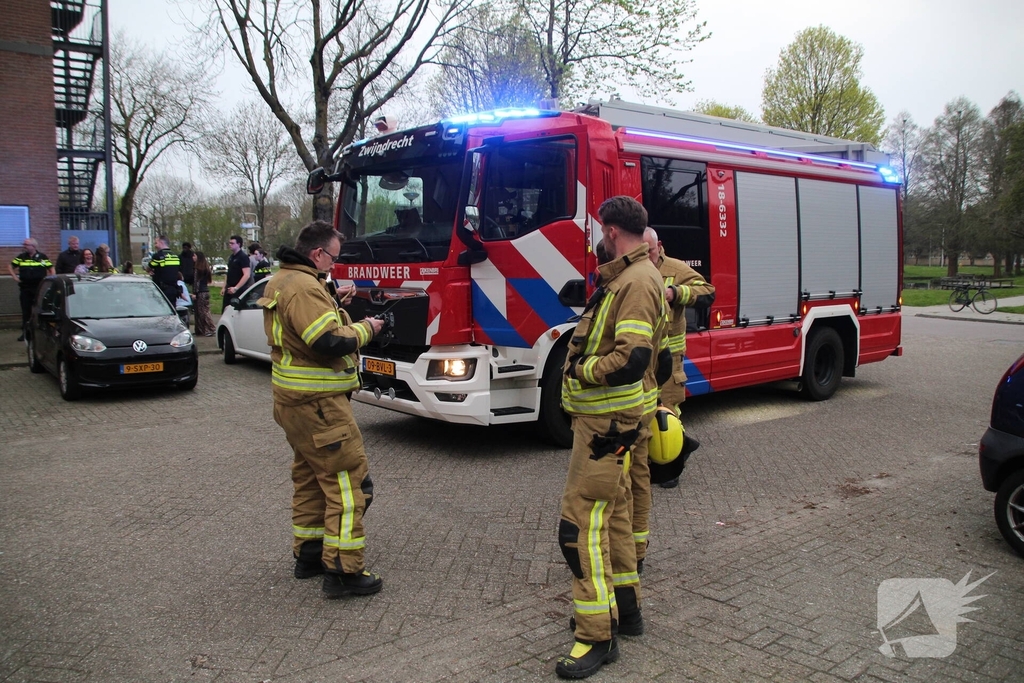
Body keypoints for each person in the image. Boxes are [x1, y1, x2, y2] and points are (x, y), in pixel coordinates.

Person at [555, 197, 667, 679]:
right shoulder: (628, 275)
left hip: (607, 426)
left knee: (578, 529)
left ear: (612, 229)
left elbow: (633, 360)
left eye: (600, 230)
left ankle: (595, 636)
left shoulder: (637, 281)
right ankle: (627, 611)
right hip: (611, 423)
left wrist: (582, 371)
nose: (599, 238)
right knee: (615, 518)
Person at [257, 220, 384, 599]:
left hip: (293, 403)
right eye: (333, 257)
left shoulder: (283, 280)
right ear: (317, 254)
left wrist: (332, 300)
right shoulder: (305, 287)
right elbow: (326, 341)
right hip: (319, 405)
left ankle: (310, 556)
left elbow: (300, 329)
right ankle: (344, 572)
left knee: (312, 478)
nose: (335, 264)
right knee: (349, 484)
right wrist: (367, 328)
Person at [642, 228, 716, 491]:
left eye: (649, 251)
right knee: (645, 411)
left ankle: (671, 465)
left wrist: (675, 293)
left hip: (670, 356)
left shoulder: (676, 268)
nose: (646, 256)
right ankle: (659, 459)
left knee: (668, 411)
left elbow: (708, 292)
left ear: (659, 245)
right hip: (644, 356)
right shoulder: (637, 268)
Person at [8, 237, 54, 341]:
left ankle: (41, 333)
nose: (24, 246)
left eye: (26, 245)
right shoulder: (21, 257)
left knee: (40, 311)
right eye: (24, 244)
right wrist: (15, 277)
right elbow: (10, 266)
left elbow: (51, 268)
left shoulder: (42, 257)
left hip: (39, 288)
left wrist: (50, 281)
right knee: (26, 312)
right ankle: (25, 333)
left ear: (33, 246)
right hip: (25, 288)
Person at [147, 235, 182, 306]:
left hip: (161, 291)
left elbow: (149, 266)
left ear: (161, 243)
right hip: (173, 290)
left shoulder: (158, 256)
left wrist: (150, 270)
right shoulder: (175, 256)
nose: (155, 245)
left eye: (156, 243)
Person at [223, 235, 251, 312]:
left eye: (232, 243)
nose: (230, 245)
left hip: (238, 290)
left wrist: (236, 288)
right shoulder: (231, 257)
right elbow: (228, 273)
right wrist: (224, 287)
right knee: (225, 311)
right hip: (229, 289)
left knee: (234, 312)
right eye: (229, 243)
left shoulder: (243, 257)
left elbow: (246, 274)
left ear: (238, 244)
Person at [192, 251, 215, 336]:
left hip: (200, 292)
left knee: (202, 312)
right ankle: (202, 330)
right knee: (203, 311)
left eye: (194, 256)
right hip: (205, 291)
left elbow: (196, 282)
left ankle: (210, 329)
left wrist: (195, 293)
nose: (193, 258)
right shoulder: (205, 268)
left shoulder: (197, 269)